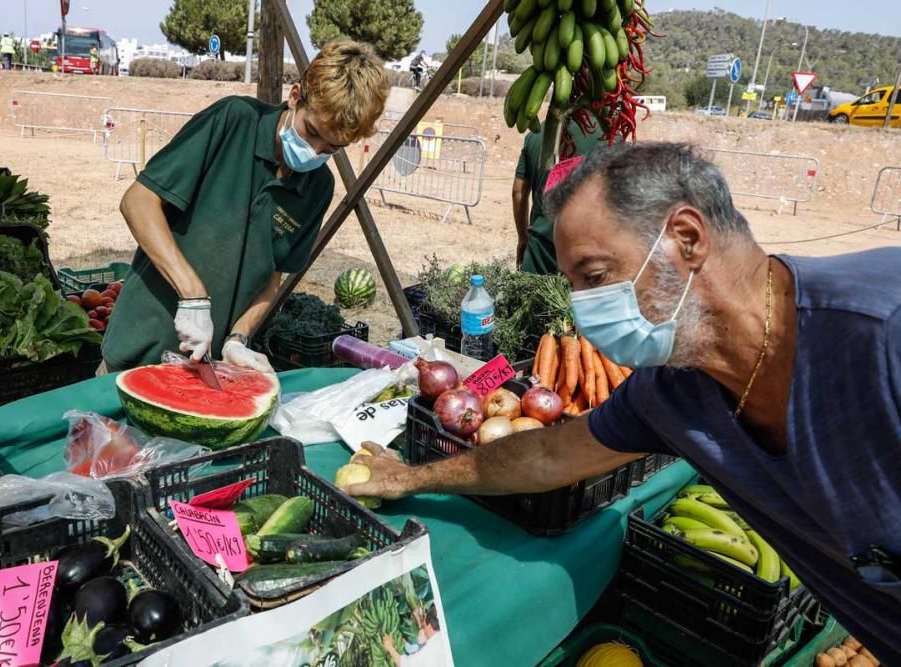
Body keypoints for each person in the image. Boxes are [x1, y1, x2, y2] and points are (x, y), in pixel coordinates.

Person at [347, 142, 901, 662]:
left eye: (595, 277)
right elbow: (549, 455)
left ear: (687, 239)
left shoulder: (881, 331)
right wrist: (410, 478)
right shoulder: (672, 390)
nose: (585, 311)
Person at [99, 41, 389, 373]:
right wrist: (192, 294)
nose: (314, 151)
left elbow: (272, 278)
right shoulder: (233, 120)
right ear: (295, 96)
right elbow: (138, 202)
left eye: (332, 147)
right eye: (311, 132)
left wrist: (238, 338)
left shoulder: (318, 188)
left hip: (209, 365)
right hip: (139, 346)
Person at [513, 121, 601, 273]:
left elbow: (518, 192)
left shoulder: (535, 134)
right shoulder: (608, 135)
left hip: (539, 254)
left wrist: (522, 237)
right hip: (584, 257)